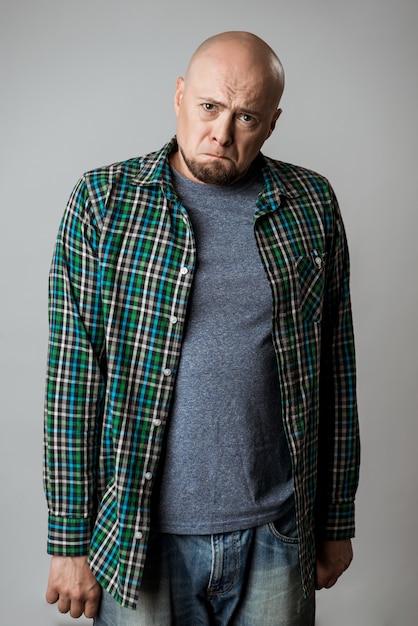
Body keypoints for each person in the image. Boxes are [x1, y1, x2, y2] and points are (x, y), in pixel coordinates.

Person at [44, 31, 360, 625]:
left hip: (276, 532)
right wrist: (68, 542)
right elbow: (72, 380)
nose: (221, 133)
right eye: (210, 107)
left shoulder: (311, 205)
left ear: (272, 123)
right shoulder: (103, 204)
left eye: (247, 116)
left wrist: (336, 520)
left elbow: (335, 374)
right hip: (139, 537)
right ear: (180, 96)